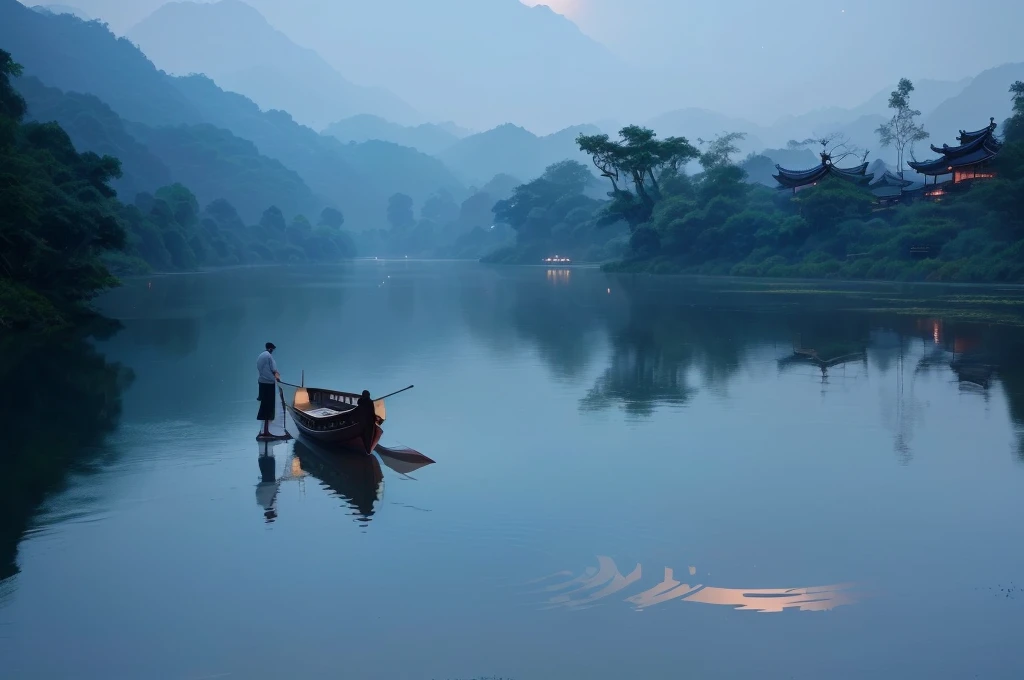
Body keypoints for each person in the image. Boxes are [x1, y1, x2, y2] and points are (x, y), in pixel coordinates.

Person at [256, 342, 281, 439]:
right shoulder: (269, 357)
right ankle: (267, 431)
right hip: (269, 383)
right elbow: (274, 370)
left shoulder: (261, 355)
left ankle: (264, 430)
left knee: (263, 405)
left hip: (261, 382)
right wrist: (279, 380)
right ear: (271, 349)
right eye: (273, 349)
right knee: (269, 407)